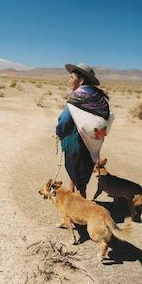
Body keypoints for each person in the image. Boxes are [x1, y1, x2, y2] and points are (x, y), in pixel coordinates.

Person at [56, 63, 111, 198]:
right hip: (92, 142)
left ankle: (82, 213)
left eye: (72, 77)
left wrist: (59, 133)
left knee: (78, 180)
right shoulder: (99, 97)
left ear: (81, 80)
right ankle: (72, 202)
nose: (69, 80)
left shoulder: (77, 96)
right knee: (80, 175)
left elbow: (64, 119)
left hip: (76, 143)